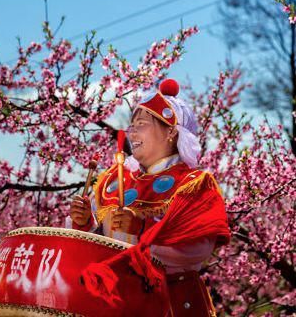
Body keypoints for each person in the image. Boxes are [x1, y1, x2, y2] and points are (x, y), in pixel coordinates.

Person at [68, 79, 230, 316]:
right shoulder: (116, 180)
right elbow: (104, 243)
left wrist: (142, 228)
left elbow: (198, 247)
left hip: (172, 300)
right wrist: (85, 224)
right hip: (117, 301)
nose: (131, 131)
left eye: (141, 124)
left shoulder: (193, 184)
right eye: (131, 125)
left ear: (171, 133)